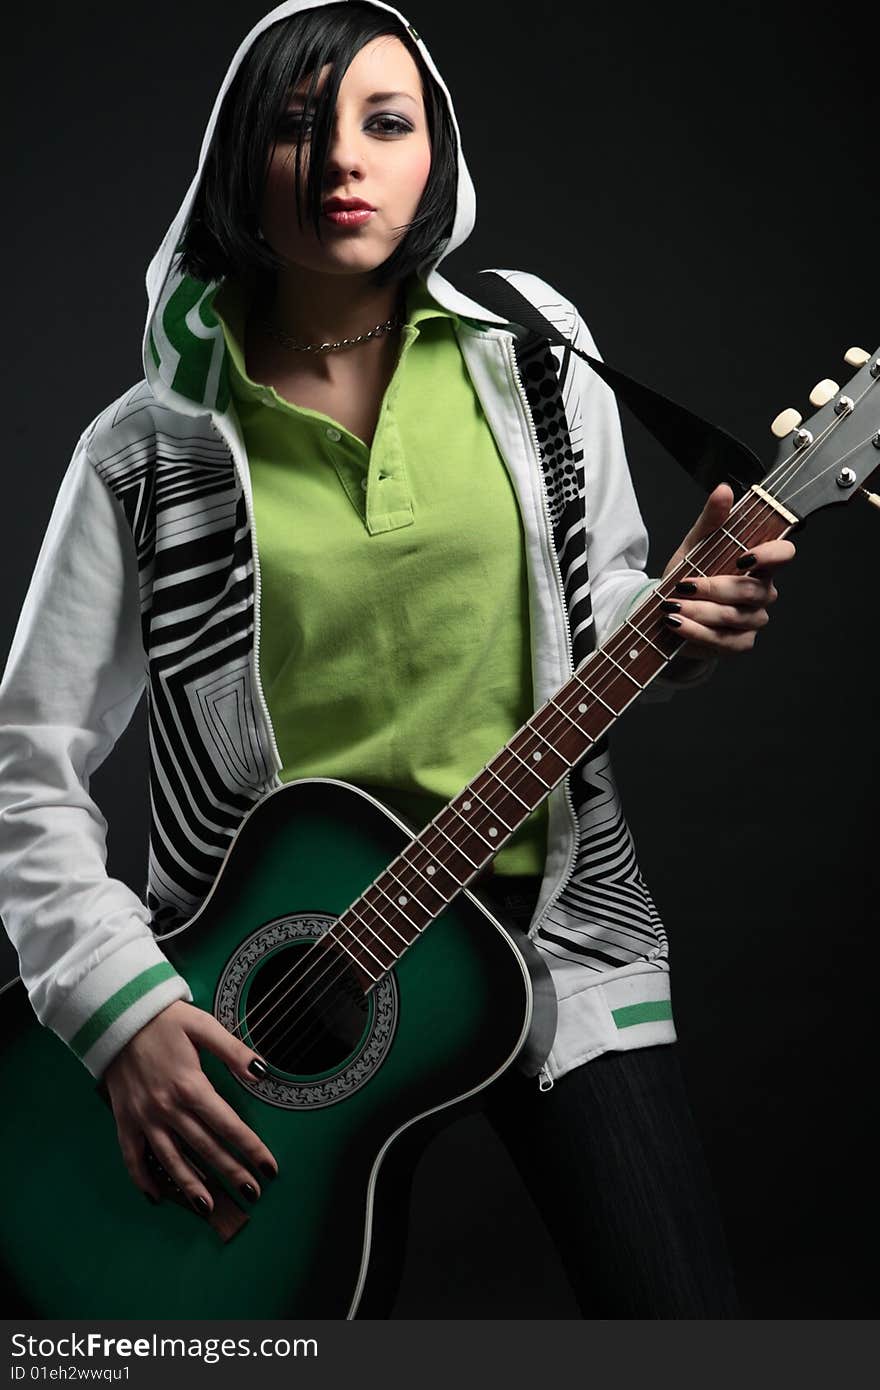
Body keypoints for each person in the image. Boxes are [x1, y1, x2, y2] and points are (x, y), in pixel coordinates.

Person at [0, 0, 795, 1317]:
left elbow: (594, 609)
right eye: (299, 127)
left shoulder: (534, 356)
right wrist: (116, 1006)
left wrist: (684, 625)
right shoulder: (146, 445)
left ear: (441, 157)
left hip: (556, 942)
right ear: (241, 158)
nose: (342, 161)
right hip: (274, 994)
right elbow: (27, 756)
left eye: (386, 122)